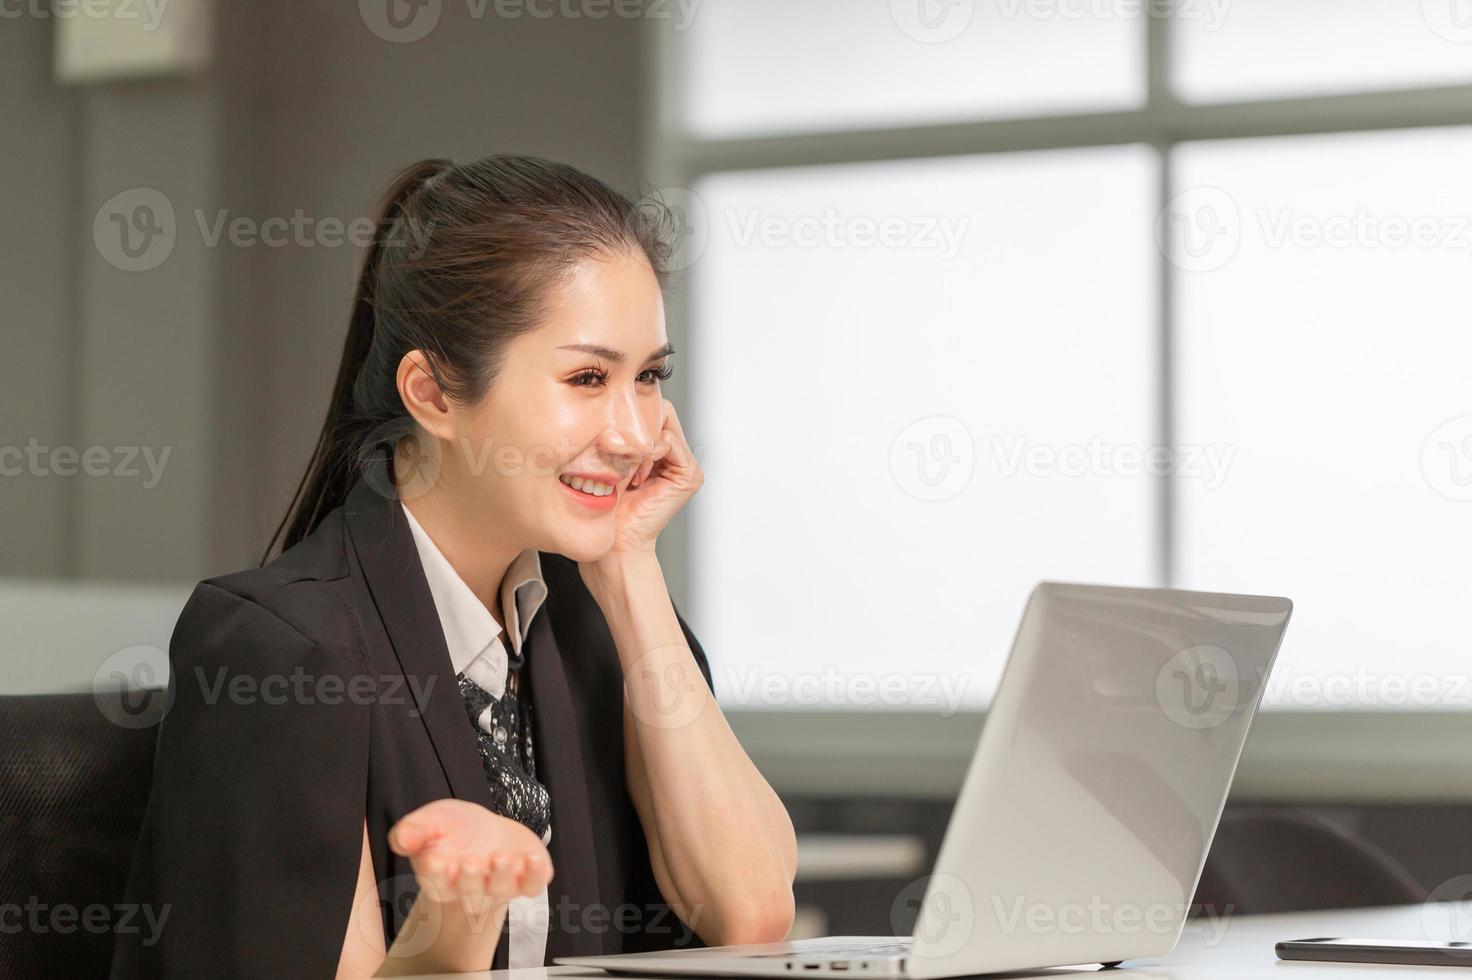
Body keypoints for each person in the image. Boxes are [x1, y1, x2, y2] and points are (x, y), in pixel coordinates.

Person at [112, 155, 798, 978]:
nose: (634, 434)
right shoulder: (281, 648)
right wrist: (453, 926)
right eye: (587, 377)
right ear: (432, 394)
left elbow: (751, 913)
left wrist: (629, 565)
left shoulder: (599, 622)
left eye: (649, 377)